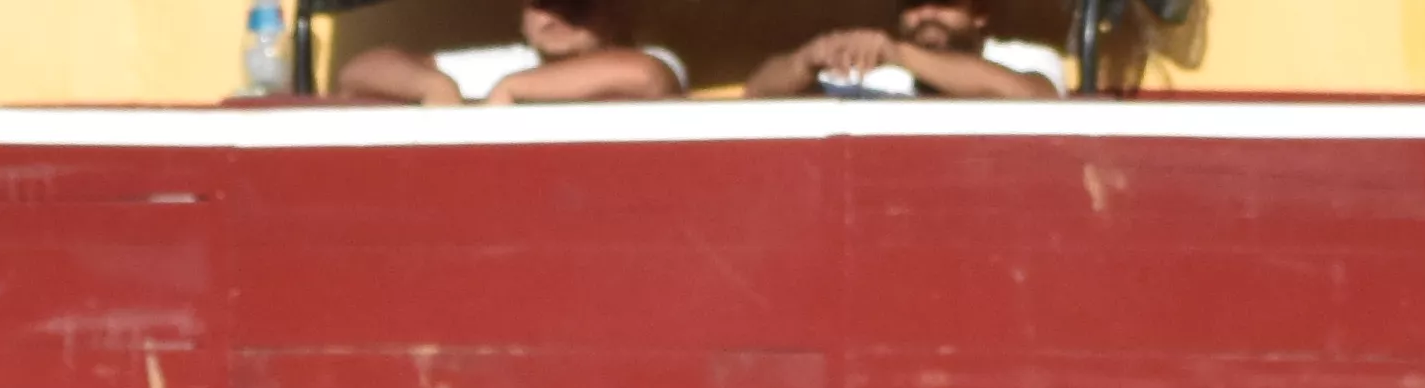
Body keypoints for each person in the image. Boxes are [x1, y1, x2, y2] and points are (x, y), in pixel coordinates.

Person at [331, 0, 690, 96]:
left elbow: (644, 77)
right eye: (540, 4)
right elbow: (360, 69)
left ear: (616, 8)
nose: (552, 19)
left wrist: (512, 90)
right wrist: (434, 87)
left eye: (574, 4)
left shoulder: (656, 59)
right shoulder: (511, 62)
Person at [747, 0, 1072, 86]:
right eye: (914, 4)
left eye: (944, 2)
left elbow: (1033, 95)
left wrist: (899, 53)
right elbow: (759, 90)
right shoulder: (874, 69)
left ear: (980, 13)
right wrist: (807, 58)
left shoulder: (1024, 58)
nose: (927, 15)